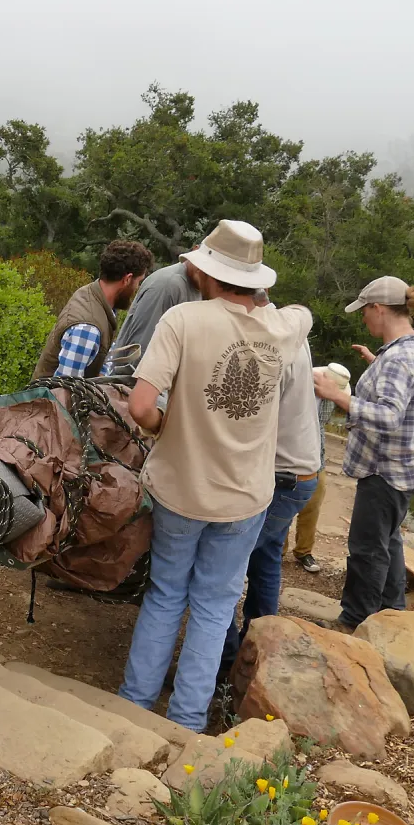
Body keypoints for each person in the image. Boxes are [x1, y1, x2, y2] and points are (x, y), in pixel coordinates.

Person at [117, 220, 311, 731]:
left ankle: (133, 705)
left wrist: (165, 424)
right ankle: (186, 721)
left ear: (205, 271)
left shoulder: (183, 320)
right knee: (214, 606)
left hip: (181, 488)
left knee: (166, 594)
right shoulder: (283, 329)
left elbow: (140, 405)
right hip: (245, 497)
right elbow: (302, 314)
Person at [314, 276, 414, 633]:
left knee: (367, 547)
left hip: (386, 469)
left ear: (379, 308)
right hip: (411, 464)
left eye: (365, 311)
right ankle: (391, 611)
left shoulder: (397, 359)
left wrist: (337, 396)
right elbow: (407, 387)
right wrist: (377, 364)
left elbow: (388, 417)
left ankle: (356, 621)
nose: (363, 317)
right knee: (389, 538)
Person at [217, 319, 323, 681]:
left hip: (281, 476)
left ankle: (224, 665)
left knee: (220, 566)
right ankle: (258, 652)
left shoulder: (266, 343)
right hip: (299, 473)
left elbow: (246, 418)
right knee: (265, 559)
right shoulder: (289, 332)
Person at [32, 239, 154, 379]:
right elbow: (63, 388)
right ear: (127, 279)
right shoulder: (87, 329)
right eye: (138, 282)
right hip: (55, 393)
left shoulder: (92, 294)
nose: (137, 288)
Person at [104, 251, 204, 376]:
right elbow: (140, 352)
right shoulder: (168, 285)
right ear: (195, 250)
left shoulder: (203, 287)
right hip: (137, 381)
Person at [290, 395, 336, 574]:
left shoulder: (326, 392)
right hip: (288, 454)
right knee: (281, 504)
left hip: (316, 458)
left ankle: (304, 552)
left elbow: (323, 419)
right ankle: (277, 550)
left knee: (312, 506)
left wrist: (327, 392)